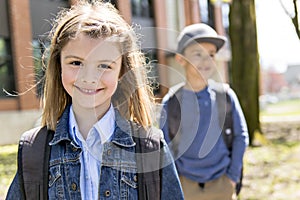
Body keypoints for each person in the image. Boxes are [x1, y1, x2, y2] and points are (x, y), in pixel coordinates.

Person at [6, 1, 183, 199]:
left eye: (104, 66)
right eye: (76, 62)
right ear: (59, 65)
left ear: (121, 71)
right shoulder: (34, 150)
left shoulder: (151, 146)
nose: (89, 78)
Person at [160, 23, 249, 200]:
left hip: (222, 183)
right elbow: (165, 148)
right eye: (198, 54)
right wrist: (176, 181)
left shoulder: (225, 96)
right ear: (180, 59)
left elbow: (241, 136)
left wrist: (231, 177)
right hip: (186, 186)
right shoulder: (171, 103)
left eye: (211, 54)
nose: (206, 61)